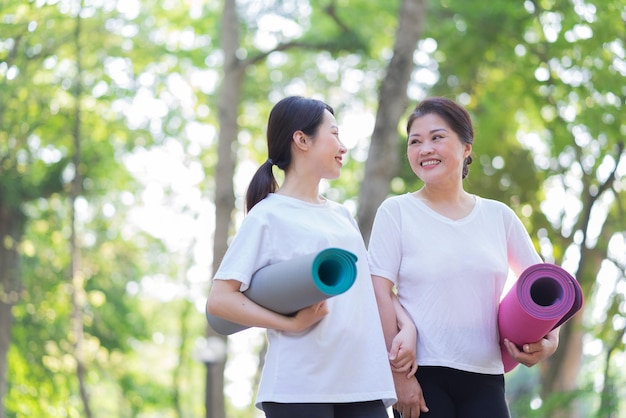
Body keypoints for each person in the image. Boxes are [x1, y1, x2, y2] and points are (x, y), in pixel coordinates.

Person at [207, 95, 410, 418]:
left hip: (362, 383)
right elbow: (219, 301)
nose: (343, 146)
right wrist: (289, 322)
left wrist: (406, 326)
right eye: (334, 133)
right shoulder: (268, 215)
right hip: (299, 385)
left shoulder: (342, 215)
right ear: (301, 140)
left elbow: (367, 292)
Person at [368, 97, 560, 418]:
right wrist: (399, 378)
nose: (425, 148)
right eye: (415, 141)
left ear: (466, 147)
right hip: (422, 373)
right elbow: (377, 292)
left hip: (486, 377)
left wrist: (550, 342)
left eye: (437, 137)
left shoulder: (499, 216)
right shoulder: (396, 211)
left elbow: (548, 290)